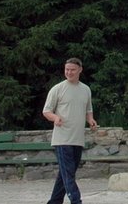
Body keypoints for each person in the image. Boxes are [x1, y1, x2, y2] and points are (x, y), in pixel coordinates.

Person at [43, 58, 98, 204]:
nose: (69, 72)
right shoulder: (57, 89)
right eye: (67, 69)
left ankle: (54, 201)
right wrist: (55, 118)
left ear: (80, 69)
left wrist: (91, 120)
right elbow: (46, 111)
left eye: (72, 69)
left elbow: (88, 109)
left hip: (78, 139)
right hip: (62, 139)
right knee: (68, 174)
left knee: (66, 173)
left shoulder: (86, 89)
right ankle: (76, 200)